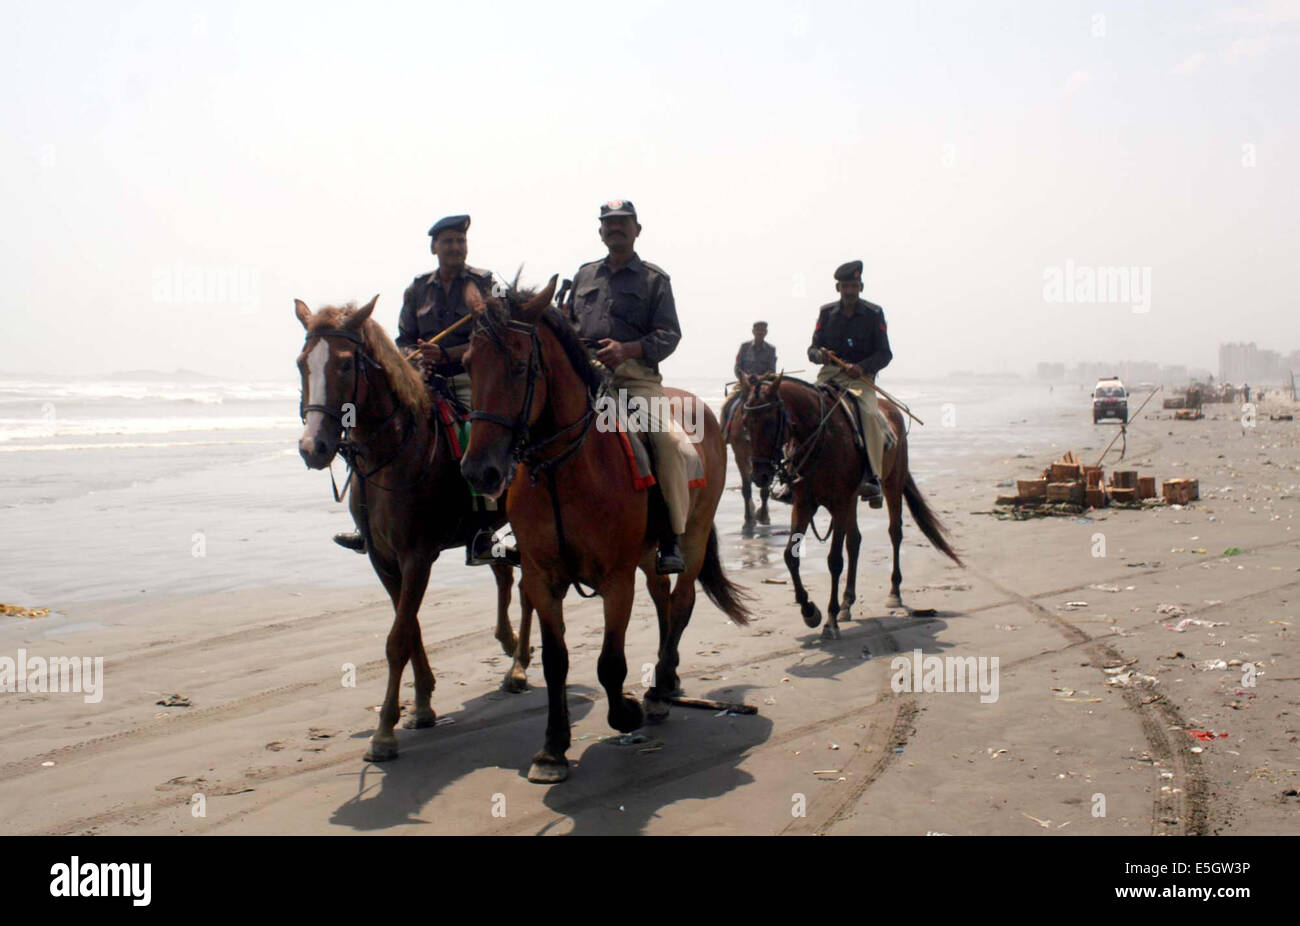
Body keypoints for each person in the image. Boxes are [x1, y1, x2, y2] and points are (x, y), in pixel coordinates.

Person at [334, 214, 507, 565]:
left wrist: (448, 354)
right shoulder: (417, 289)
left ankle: (485, 529)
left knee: (474, 431)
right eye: (448, 241)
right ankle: (366, 522)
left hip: (468, 377)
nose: (455, 247)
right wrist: (414, 361)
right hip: (423, 378)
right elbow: (403, 339)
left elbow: (494, 337)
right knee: (374, 428)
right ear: (434, 247)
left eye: (460, 240)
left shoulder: (484, 283)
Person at [565, 199, 689, 574]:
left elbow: (670, 335)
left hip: (635, 378)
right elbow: (570, 324)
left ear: (637, 230)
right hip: (587, 376)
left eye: (623, 223)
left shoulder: (654, 280)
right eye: (608, 223)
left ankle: (671, 537)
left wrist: (629, 349)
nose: (615, 228)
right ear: (600, 231)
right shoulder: (584, 276)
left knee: (665, 441)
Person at [807, 260, 892, 506]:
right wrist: (819, 355)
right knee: (804, 409)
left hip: (860, 379)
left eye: (854, 286)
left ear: (861, 287)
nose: (850, 291)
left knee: (868, 413)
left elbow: (885, 354)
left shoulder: (874, 314)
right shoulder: (826, 313)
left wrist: (863, 367)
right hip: (829, 375)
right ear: (838, 288)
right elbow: (811, 349)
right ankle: (794, 474)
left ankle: (873, 478)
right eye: (845, 286)